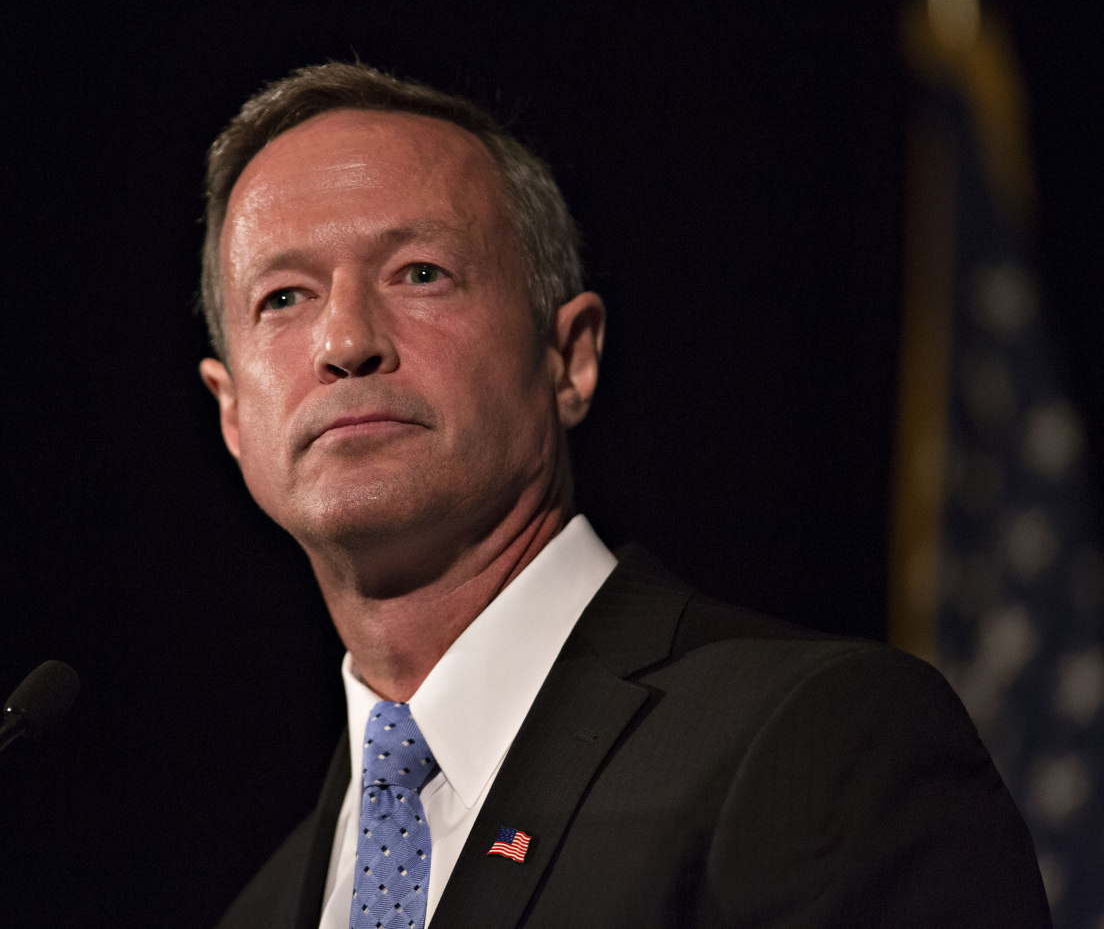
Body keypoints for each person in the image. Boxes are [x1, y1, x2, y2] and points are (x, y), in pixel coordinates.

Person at [196, 62, 1048, 929]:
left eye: (419, 273)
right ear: (232, 413)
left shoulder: (821, 747)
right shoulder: (263, 906)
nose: (344, 340)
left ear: (571, 357)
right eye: (283, 296)